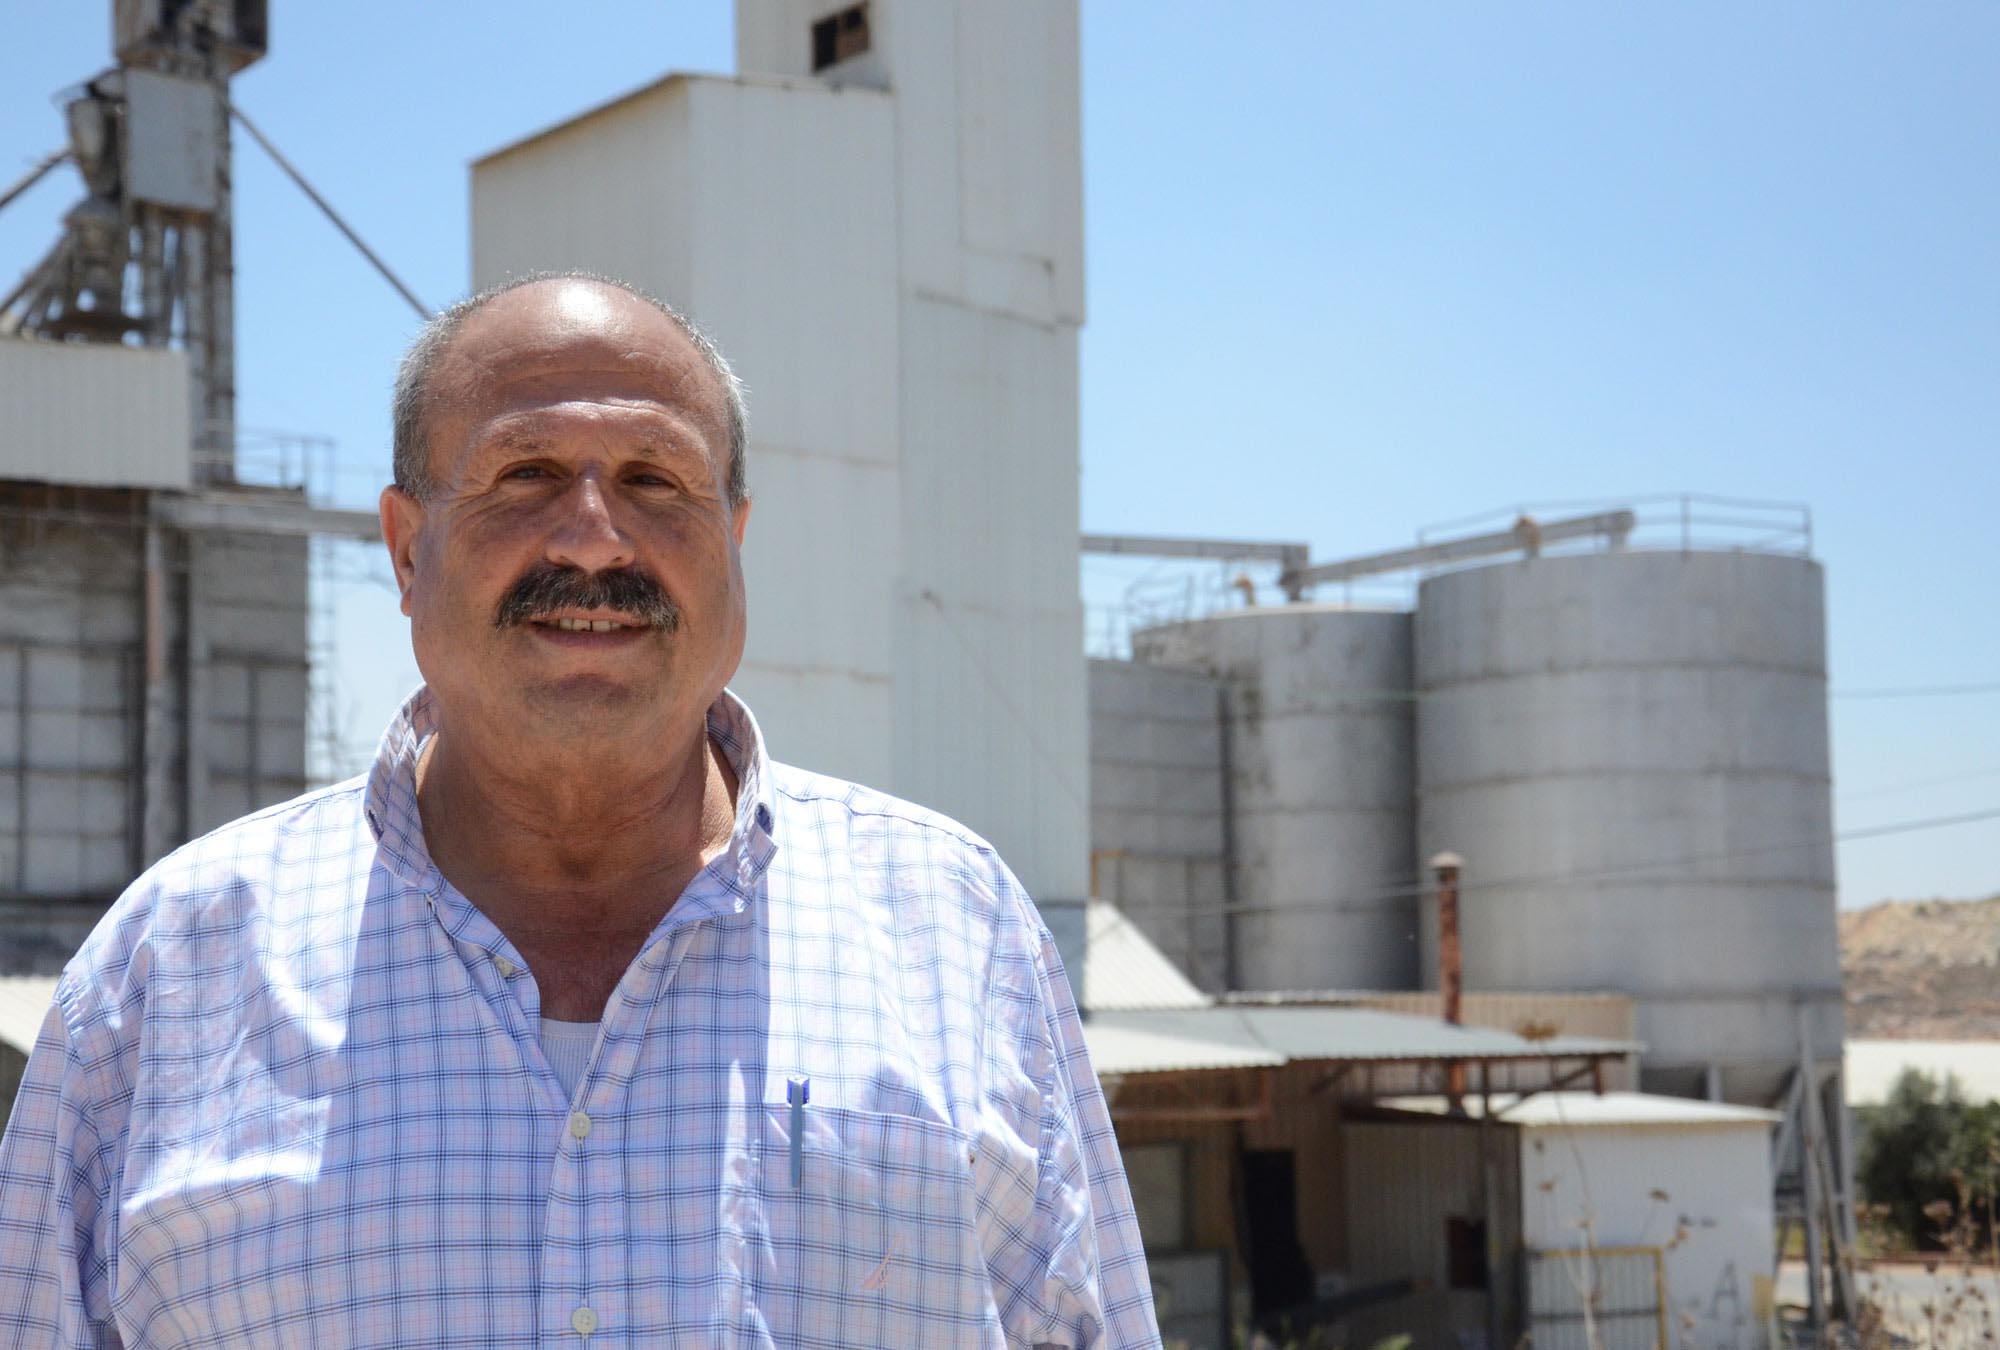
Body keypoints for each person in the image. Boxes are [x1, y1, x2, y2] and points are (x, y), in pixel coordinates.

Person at [0, 274, 1160, 1347]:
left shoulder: (955, 929)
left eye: (657, 480)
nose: (595, 537)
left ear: (734, 544)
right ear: (408, 551)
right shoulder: (172, 967)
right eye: (525, 475)